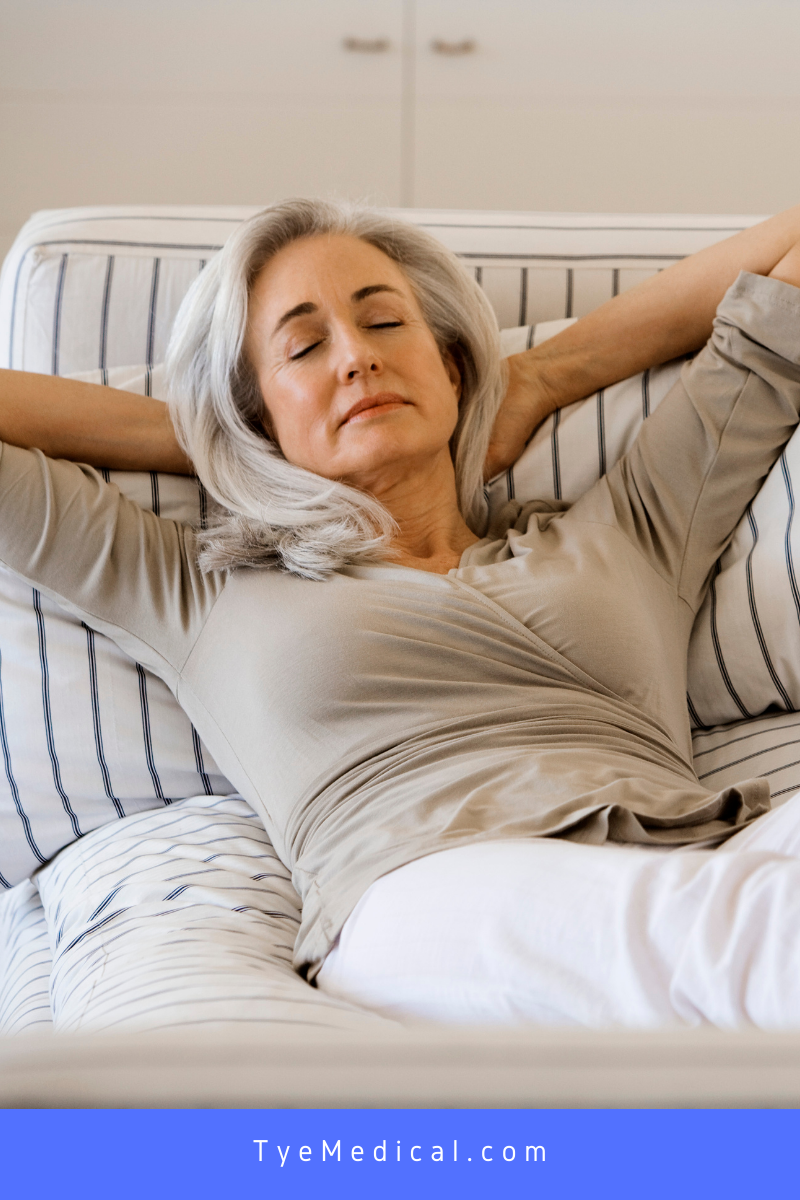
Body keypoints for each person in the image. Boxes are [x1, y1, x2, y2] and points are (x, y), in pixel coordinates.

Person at [2, 198, 800, 1029]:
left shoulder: (634, 529)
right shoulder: (195, 590)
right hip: (429, 893)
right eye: (304, 348)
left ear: (451, 368)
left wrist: (542, 374)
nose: (355, 359)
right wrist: (216, 442)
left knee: (737, 925)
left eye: (384, 323)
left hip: (690, 855)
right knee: (746, 939)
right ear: (253, 414)